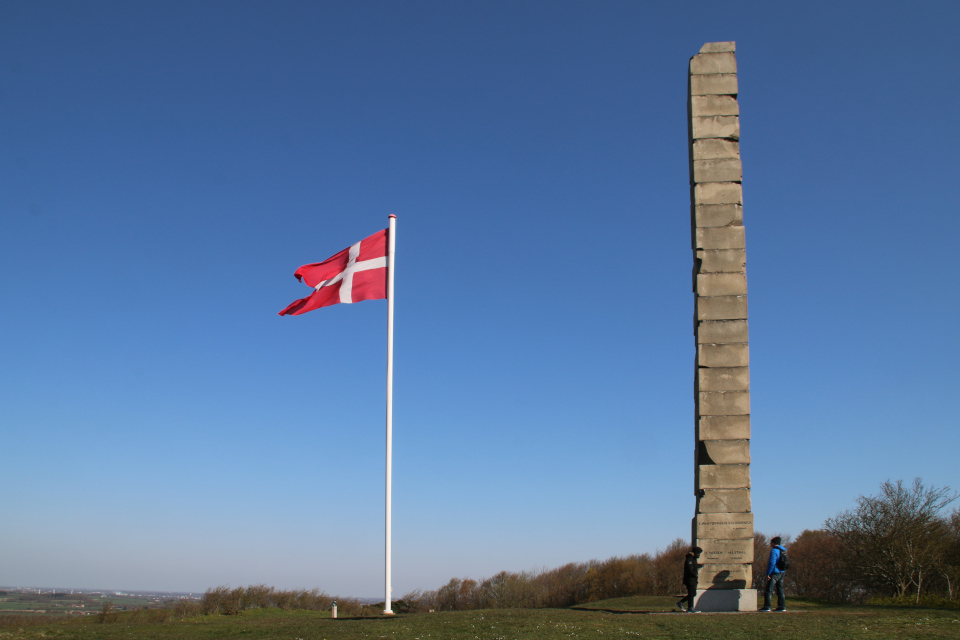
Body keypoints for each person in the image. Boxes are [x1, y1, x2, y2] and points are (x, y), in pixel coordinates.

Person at [759, 536, 786, 612]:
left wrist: (768, 573)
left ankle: (767, 606)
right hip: (782, 572)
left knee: (768, 589)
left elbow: (772, 563)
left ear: (774, 543)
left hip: (775, 572)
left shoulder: (774, 551)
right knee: (780, 589)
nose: (770, 544)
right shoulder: (783, 550)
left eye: (771, 543)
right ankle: (782, 606)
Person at [675, 546, 703, 613]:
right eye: (698, 553)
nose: (699, 555)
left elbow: (693, 566)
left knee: (693, 594)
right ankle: (689, 607)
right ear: (695, 553)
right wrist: (695, 575)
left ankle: (681, 603)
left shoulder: (693, 559)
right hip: (690, 580)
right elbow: (690, 569)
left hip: (692, 580)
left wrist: (699, 566)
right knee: (691, 594)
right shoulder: (689, 559)